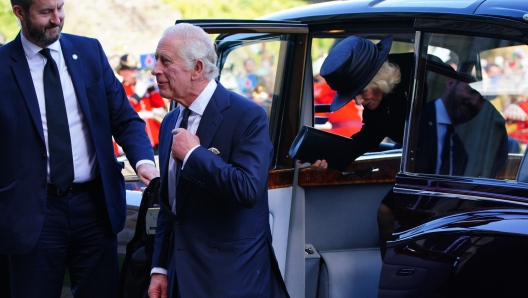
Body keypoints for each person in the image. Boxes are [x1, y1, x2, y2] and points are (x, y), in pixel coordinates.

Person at [0, 1, 159, 297]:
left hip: (95, 208)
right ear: (19, 12)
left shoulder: (88, 52)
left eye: (60, 8)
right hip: (34, 213)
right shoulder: (2, 66)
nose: (57, 19)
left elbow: (124, 119)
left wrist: (143, 162)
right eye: (45, 12)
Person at [148, 23, 289, 297]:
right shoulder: (169, 122)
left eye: (165, 61)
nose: (155, 69)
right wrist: (160, 269)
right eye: (156, 59)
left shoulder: (247, 115)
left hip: (231, 278)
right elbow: (171, 205)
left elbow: (248, 189)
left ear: (197, 68)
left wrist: (193, 155)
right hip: (180, 277)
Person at [303, 35, 413, 259]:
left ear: (381, 79)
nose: (360, 103)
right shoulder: (378, 104)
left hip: (450, 164)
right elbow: (365, 140)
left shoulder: (415, 81)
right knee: (385, 214)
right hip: (419, 164)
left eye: (363, 92)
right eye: (354, 96)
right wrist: (320, 154)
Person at [117, 54, 167, 153]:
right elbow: (122, 110)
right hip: (136, 138)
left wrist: (152, 89)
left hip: (154, 137)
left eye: (135, 69)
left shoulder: (142, 87)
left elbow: (159, 104)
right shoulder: (119, 89)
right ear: (121, 72)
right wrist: (137, 95)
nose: (134, 72)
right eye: (130, 69)